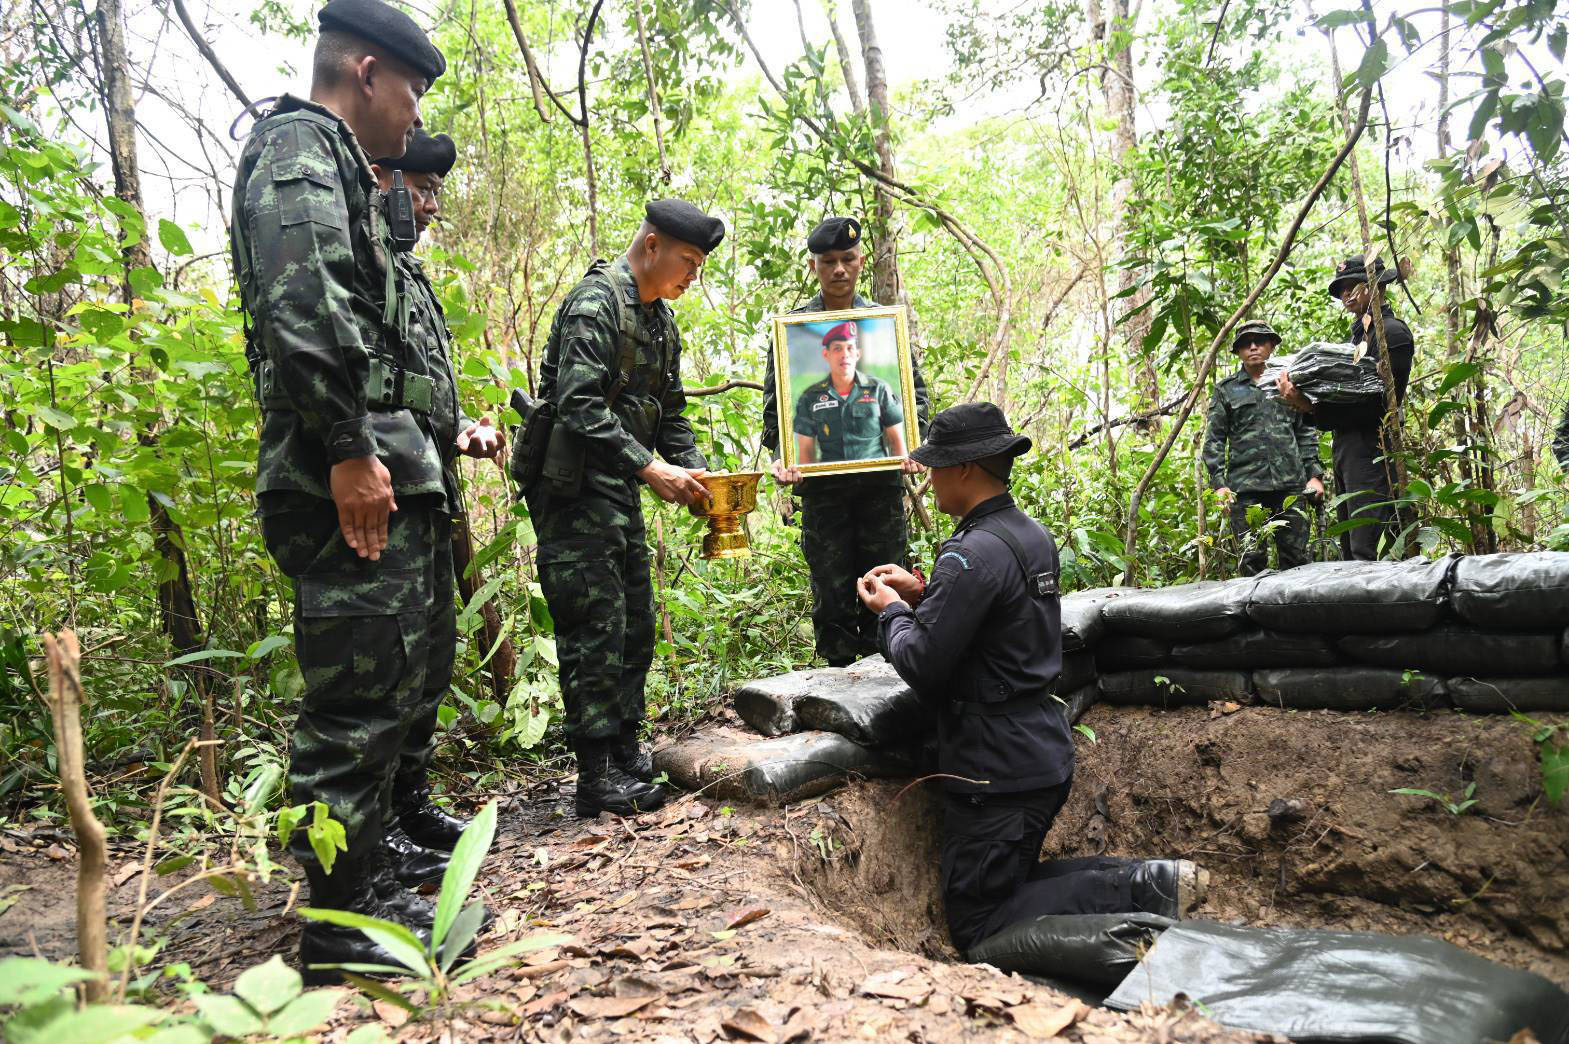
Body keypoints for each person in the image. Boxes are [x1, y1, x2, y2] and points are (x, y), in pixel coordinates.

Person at [229, 0, 487, 976]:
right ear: (368, 71)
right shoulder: (299, 144)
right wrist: (346, 447)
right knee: (354, 702)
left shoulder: (339, 160)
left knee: (392, 681)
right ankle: (341, 922)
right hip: (335, 472)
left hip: (377, 465)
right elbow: (303, 302)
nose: (414, 118)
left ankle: (369, 871)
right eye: (412, 93)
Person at [856, 403, 1206, 955]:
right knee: (1008, 885)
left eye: (937, 466)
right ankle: (1154, 883)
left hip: (995, 768)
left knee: (977, 922)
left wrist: (892, 612)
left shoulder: (970, 553)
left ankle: (1143, 891)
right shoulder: (1028, 534)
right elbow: (999, 619)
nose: (929, 476)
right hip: (1035, 749)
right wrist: (925, 595)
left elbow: (922, 663)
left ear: (964, 469)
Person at [525, 200, 720, 818]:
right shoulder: (597, 303)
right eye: (688, 260)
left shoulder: (660, 322)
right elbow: (578, 404)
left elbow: (671, 410)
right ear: (652, 245)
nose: (693, 275)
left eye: (699, 265)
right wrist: (651, 468)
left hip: (617, 488)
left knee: (634, 621)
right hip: (574, 491)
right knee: (595, 625)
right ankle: (595, 775)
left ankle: (623, 749)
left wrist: (697, 473)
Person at [369, 130, 504, 865]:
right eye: (420, 190)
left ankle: (409, 805)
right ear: (379, 179)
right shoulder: (356, 262)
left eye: (435, 195)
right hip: (379, 490)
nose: (429, 206)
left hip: (426, 484)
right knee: (383, 667)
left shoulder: (409, 275)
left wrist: (460, 432)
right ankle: (371, 831)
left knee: (428, 658)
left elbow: (410, 392)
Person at [763, 217, 928, 667]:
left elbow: (916, 398)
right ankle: (836, 683)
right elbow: (775, 413)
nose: (839, 269)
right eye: (829, 261)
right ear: (814, 266)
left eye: (847, 259)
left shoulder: (884, 324)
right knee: (831, 593)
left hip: (880, 491)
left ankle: (890, 680)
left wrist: (916, 447)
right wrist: (784, 459)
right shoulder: (791, 329)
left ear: (861, 261)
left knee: (886, 587)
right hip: (823, 495)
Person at [1278, 255, 1414, 560]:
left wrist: (1311, 407)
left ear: (1375, 286)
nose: (1345, 295)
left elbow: (1383, 404)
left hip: (1373, 449)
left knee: (1370, 547)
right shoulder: (1358, 338)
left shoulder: (1391, 333)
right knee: (1351, 548)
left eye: (1352, 286)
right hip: (1346, 448)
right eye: (1341, 290)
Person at [1203, 319, 1324, 575]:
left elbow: (1305, 431)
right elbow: (1214, 439)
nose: (1253, 347)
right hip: (1246, 490)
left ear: (1271, 346)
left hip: (1291, 486)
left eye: (1259, 341)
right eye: (1246, 344)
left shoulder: (1288, 383)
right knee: (1251, 562)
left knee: (1297, 562)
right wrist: (1219, 485)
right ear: (1238, 351)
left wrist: (1314, 476)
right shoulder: (1226, 390)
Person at [791, 321, 908, 464]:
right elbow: (806, 452)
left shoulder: (879, 389)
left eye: (850, 348)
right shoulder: (810, 397)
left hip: (878, 477)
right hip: (831, 477)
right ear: (826, 354)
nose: (844, 354)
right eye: (837, 348)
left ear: (858, 354)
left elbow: (896, 441)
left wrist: (903, 472)